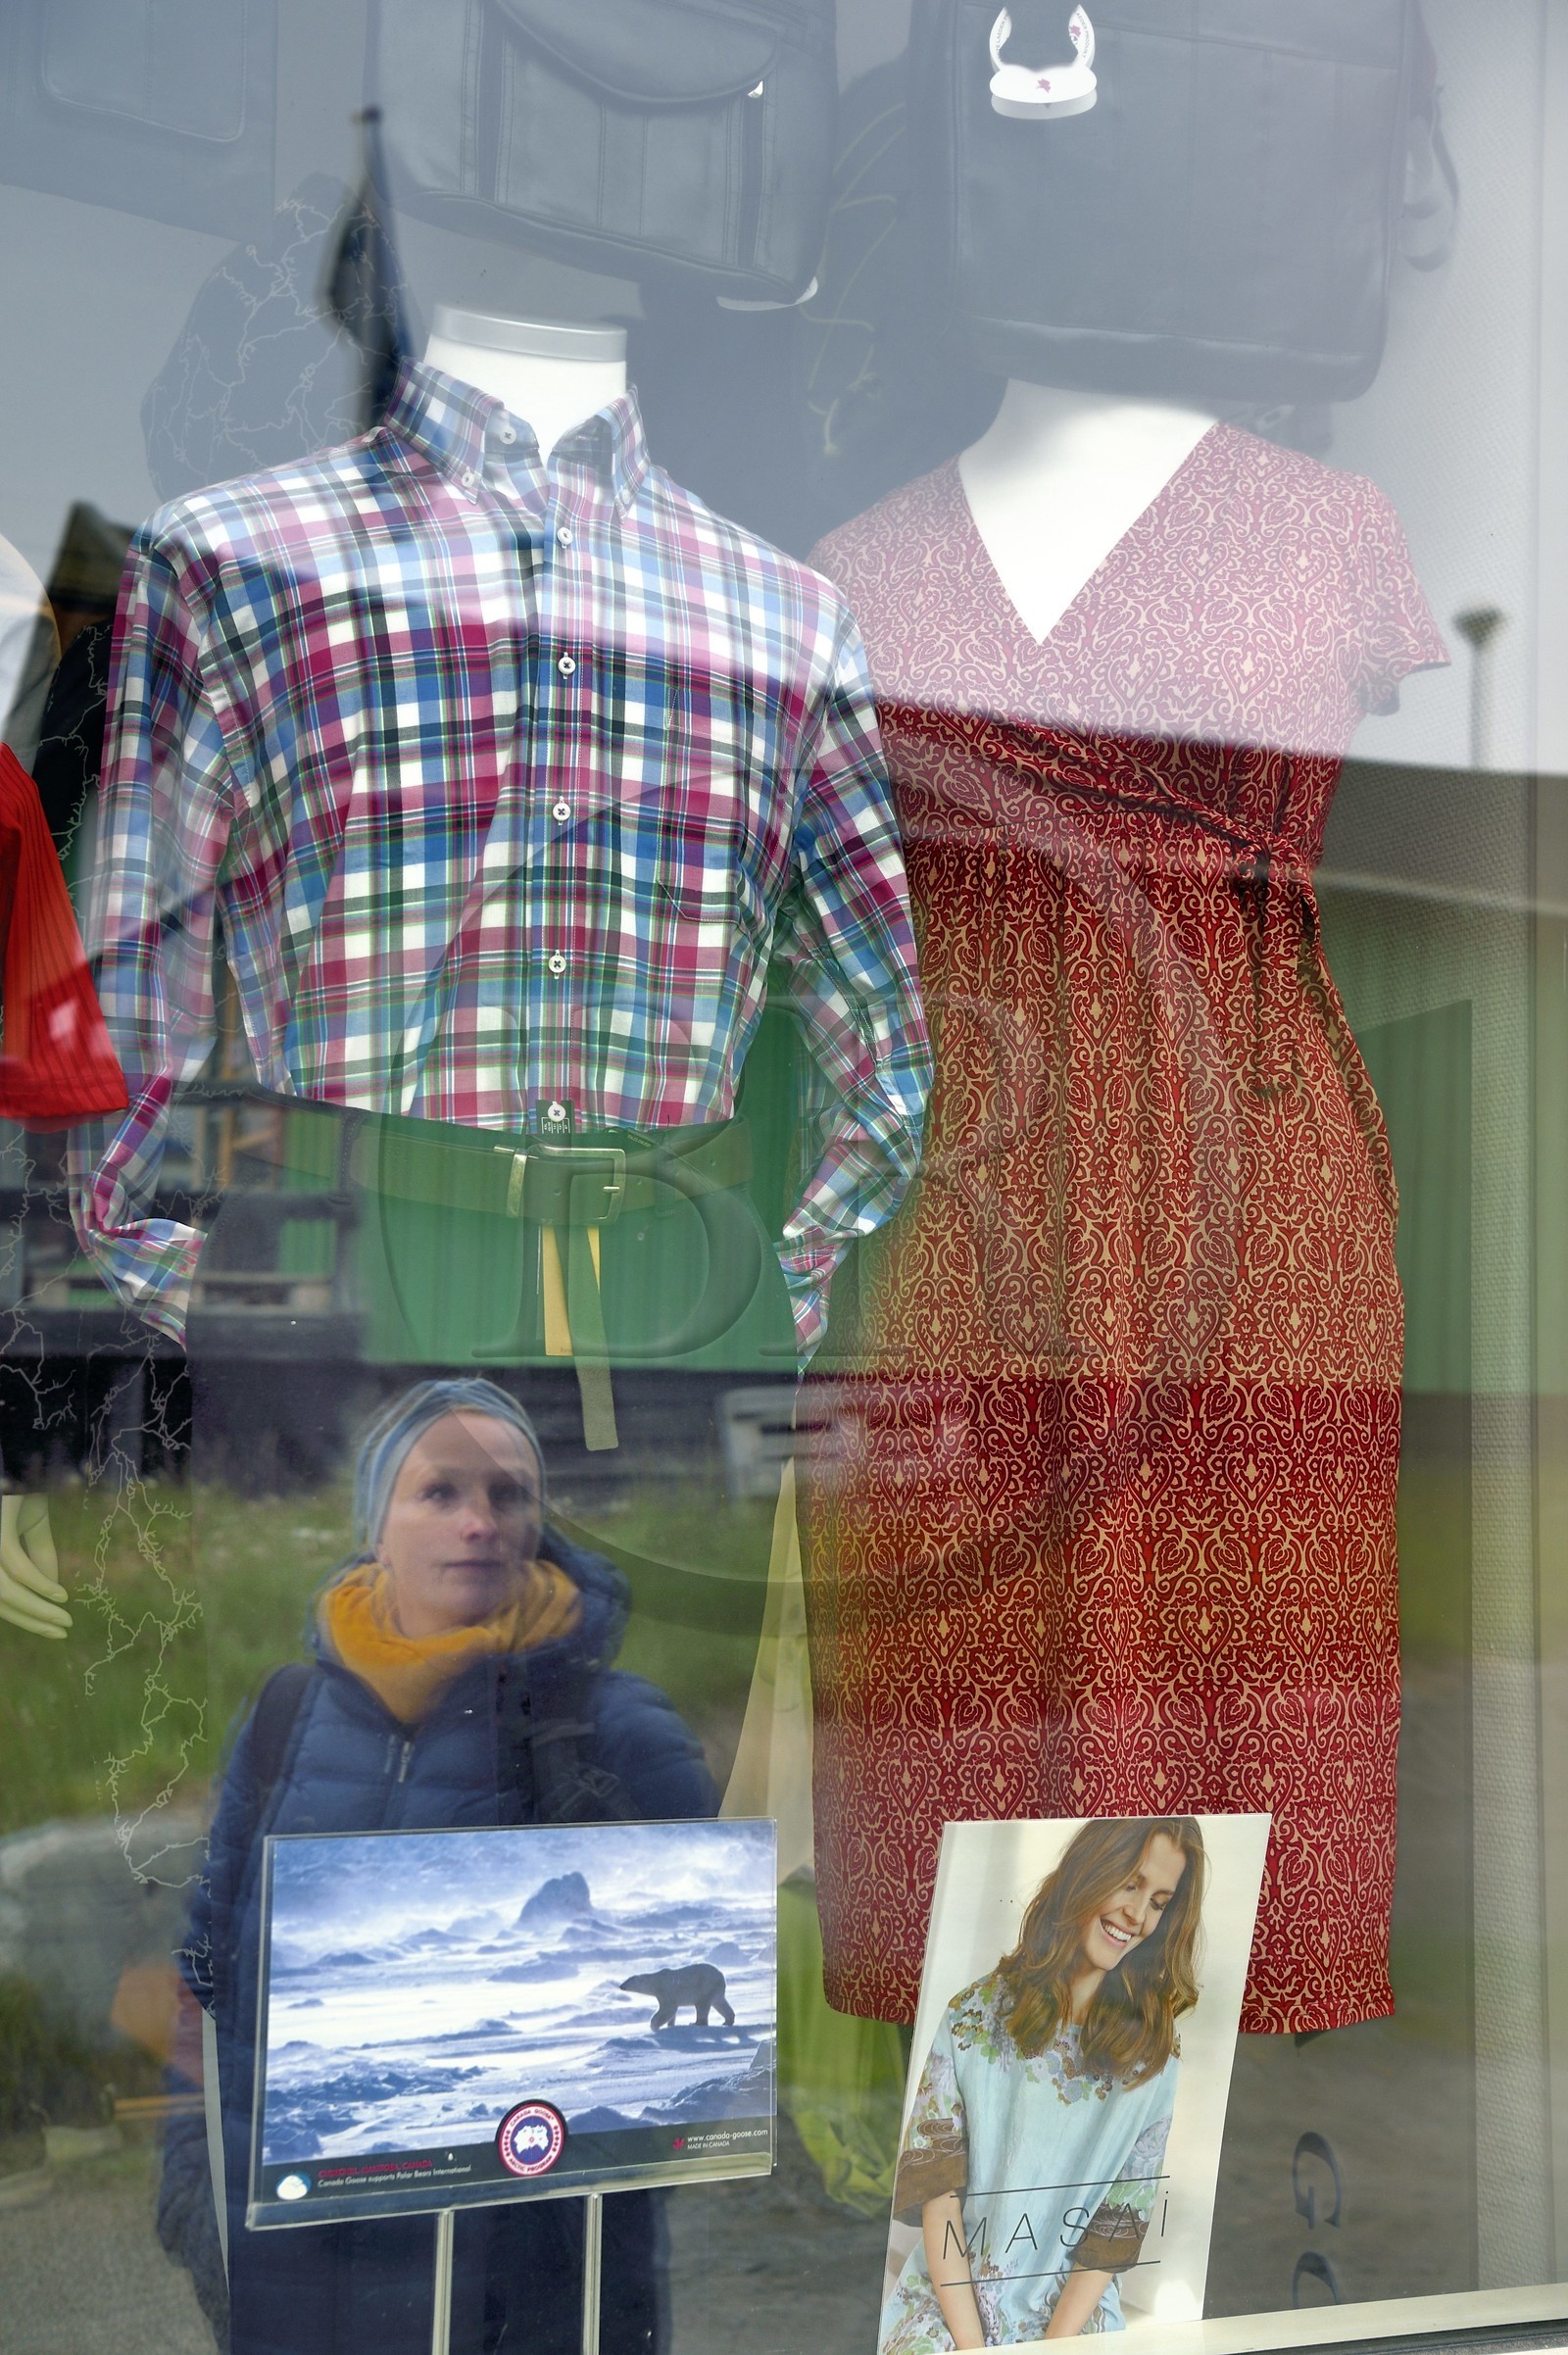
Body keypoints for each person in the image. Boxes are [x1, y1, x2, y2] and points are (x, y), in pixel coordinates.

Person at [160, 1376, 716, 2355]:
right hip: (303, 2272)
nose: (479, 1523)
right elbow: (208, 1980)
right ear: (376, 1523)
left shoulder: (617, 1729)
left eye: (508, 1496)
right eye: (440, 1493)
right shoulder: (284, 1717)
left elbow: (705, 2026)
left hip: (540, 2292)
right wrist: (195, 2190)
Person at [881, 1818, 1206, 2350]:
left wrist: (1053, 2347)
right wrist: (972, 2346)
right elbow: (939, 2202)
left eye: (1158, 1901)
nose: (1137, 1914)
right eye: (1129, 1881)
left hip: (1071, 2320)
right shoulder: (971, 2017)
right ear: (1088, 1872)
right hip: (951, 2303)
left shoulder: (1154, 2059)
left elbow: (1114, 2227)